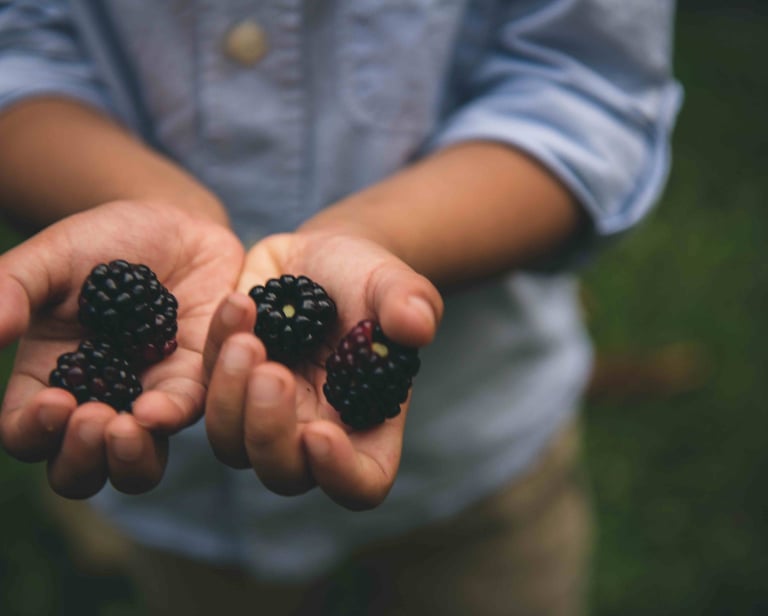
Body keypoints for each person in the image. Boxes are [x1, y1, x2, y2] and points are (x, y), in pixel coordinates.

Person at [0, 1, 682, 614]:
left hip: (471, 455)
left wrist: (382, 233)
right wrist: (146, 202)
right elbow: (20, 48)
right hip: (184, 498)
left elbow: (585, 92)